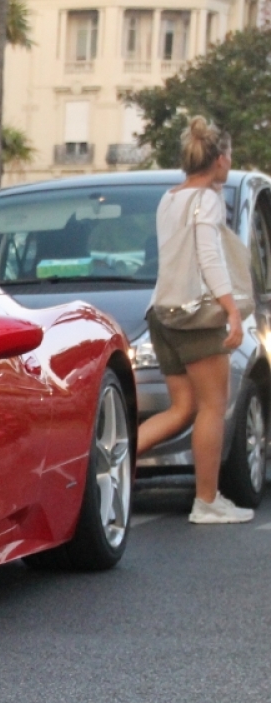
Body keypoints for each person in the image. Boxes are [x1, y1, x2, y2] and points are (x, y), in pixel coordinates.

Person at [137, 116, 252, 524]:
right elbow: (209, 258)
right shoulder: (207, 202)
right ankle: (207, 501)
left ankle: (106, 463)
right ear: (219, 160)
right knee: (212, 407)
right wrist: (233, 311)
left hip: (162, 313)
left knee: (181, 407)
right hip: (196, 317)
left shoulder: (171, 197)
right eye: (230, 157)